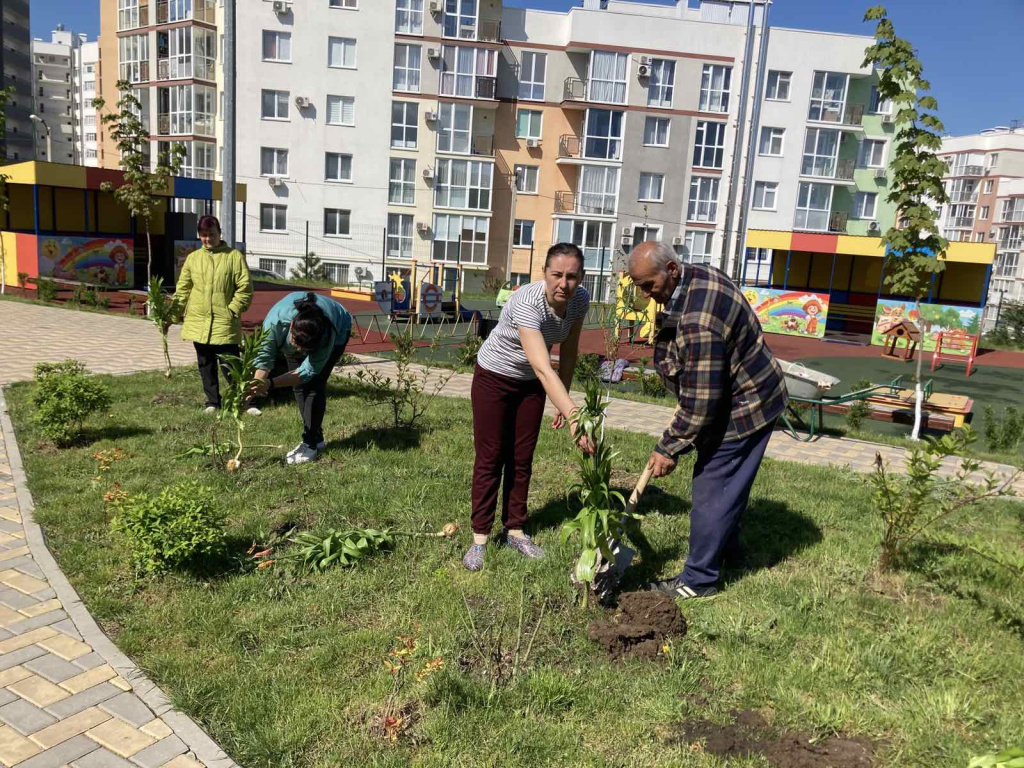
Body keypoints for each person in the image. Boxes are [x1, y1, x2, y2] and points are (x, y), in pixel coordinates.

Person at [627, 242, 788, 599]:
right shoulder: (695, 276)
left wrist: (669, 447)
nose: (645, 294)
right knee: (729, 485)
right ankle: (727, 553)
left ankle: (698, 580)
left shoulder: (699, 321)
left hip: (747, 404)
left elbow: (703, 400)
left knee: (712, 488)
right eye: (639, 285)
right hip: (742, 392)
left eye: (648, 285)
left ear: (671, 269)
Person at [464, 243, 594, 571]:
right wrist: (573, 414)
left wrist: (562, 401)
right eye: (557, 275)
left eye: (572, 276)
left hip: (531, 385)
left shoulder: (579, 299)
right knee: (491, 456)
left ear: (580, 277)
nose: (563, 283)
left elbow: (568, 351)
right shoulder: (527, 302)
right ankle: (480, 537)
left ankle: (515, 530)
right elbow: (541, 365)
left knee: (522, 457)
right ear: (544, 273)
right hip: (495, 376)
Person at [249, 292, 352, 465]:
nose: (300, 353)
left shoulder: (327, 335)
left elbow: (306, 372)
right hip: (299, 326)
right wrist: (253, 389)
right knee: (298, 387)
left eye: (305, 350)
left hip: (340, 325)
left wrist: (271, 383)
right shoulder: (275, 322)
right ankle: (315, 438)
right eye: (297, 347)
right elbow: (264, 358)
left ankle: (310, 443)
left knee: (314, 386)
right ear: (290, 329)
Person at [171, 215, 253, 414]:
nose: (208, 239)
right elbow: (183, 289)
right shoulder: (193, 258)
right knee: (205, 365)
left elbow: (245, 288)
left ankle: (244, 402)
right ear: (199, 235)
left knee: (231, 365)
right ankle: (213, 402)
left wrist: (233, 309)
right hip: (199, 323)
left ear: (220, 234)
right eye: (204, 235)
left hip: (224, 322)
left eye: (212, 235)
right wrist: (172, 314)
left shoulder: (234, 257)